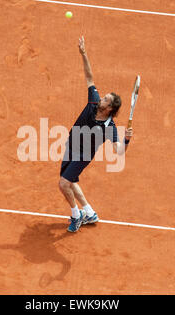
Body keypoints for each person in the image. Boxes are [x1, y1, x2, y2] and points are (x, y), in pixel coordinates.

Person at [59, 36, 134, 233]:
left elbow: (119, 152)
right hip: (71, 144)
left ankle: (77, 216)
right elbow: (90, 77)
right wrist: (84, 54)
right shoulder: (93, 101)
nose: (101, 98)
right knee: (69, 180)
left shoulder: (109, 128)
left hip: (82, 156)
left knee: (64, 183)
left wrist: (126, 139)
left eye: (105, 99)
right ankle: (89, 212)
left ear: (109, 108)